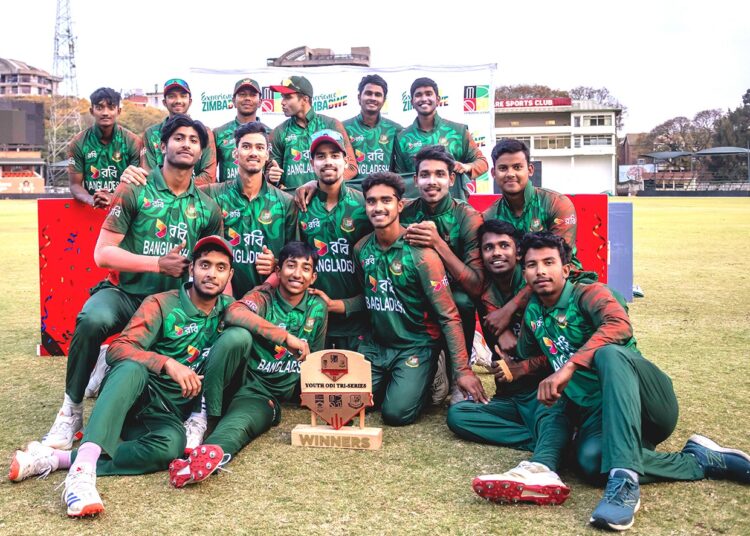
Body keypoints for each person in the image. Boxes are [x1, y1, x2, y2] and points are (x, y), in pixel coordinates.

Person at [473, 231, 750, 531]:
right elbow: (540, 356)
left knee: (608, 354)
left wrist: (568, 368)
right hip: (601, 415)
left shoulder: (590, 293)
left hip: (647, 404)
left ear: (565, 269)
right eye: (531, 265)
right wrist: (517, 366)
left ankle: (625, 480)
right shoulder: (534, 314)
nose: (540, 271)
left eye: (548, 262)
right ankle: (699, 461)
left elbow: (618, 325)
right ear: (524, 273)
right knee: (590, 463)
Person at [9, 236, 235, 517]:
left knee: (171, 446)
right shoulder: (161, 303)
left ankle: (57, 459)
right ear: (191, 269)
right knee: (131, 367)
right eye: (204, 265)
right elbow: (119, 349)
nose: (211, 273)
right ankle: (81, 476)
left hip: (165, 414)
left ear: (230, 275)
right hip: (135, 395)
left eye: (220, 267)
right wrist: (166, 363)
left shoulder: (230, 309)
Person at [40, 114, 223, 452]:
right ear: (162, 146)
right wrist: (158, 264)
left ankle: (181, 410)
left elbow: (215, 267)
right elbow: (103, 254)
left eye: (194, 140)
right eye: (179, 138)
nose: (186, 144)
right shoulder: (135, 188)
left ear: (201, 152)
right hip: (126, 293)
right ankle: (71, 411)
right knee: (92, 318)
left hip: (170, 306)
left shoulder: (207, 207)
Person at [169, 241, 327, 487]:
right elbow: (234, 312)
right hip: (235, 379)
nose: (297, 274)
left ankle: (197, 462)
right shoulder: (263, 297)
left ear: (313, 277)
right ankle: (206, 416)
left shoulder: (318, 307)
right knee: (236, 335)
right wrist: (284, 337)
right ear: (277, 271)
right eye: (290, 266)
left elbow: (313, 359)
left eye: (305, 268)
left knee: (239, 425)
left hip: (260, 394)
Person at [448, 220, 570, 504]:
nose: (496, 253)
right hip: (512, 396)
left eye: (504, 245)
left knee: (553, 409)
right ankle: (549, 440)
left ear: (518, 254)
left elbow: (563, 352)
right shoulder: (484, 289)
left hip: (543, 388)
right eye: (488, 247)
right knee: (459, 416)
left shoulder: (538, 286)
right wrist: (497, 365)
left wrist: (522, 366)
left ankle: (546, 455)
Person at [353, 172, 488, 426]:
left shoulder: (422, 254)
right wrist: (335, 305)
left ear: (400, 205)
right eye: (371, 201)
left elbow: (449, 316)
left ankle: (434, 373)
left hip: (415, 346)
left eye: (386, 200)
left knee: (395, 414)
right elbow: (367, 297)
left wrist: (462, 370)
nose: (378, 207)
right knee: (351, 404)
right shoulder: (361, 249)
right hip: (378, 347)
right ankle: (398, 380)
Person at [400, 145, 484, 404]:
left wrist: (438, 243)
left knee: (463, 301)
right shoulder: (405, 212)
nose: (431, 181)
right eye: (425, 175)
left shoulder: (467, 216)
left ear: (451, 178)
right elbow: (369, 197)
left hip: (451, 297)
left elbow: (476, 285)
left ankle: (459, 376)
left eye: (439, 174)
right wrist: (313, 183)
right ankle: (429, 367)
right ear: (416, 180)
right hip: (414, 296)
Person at [291, 129, 372, 350]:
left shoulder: (364, 205)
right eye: (321, 156)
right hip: (312, 319)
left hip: (358, 321)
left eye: (335, 156)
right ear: (311, 163)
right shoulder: (300, 205)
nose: (328, 162)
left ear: (346, 162)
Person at [202, 121, 297, 299]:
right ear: (235, 153)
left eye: (260, 147)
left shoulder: (286, 202)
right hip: (217, 301)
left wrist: (276, 263)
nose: (253, 153)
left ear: (267, 155)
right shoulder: (211, 194)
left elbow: (295, 257)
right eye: (246, 146)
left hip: (268, 301)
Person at [483, 138, 581, 268]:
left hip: (560, 276)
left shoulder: (556, 204)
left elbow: (561, 257)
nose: (510, 174)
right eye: (503, 168)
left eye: (517, 167)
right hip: (509, 278)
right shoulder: (489, 216)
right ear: (493, 173)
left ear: (530, 170)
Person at [393, 77, 488, 201]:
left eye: (428, 94)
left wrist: (466, 167)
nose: (424, 98)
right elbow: (401, 179)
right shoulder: (402, 138)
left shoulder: (458, 132)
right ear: (412, 102)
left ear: (438, 100)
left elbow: (482, 162)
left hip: (453, 206)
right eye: (418, 95)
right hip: (417, 209)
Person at [268, 76, 357, 190]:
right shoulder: (278, 132)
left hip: (327, 198)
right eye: (282, 97)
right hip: (292, 199)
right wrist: (273, 180)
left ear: (305, 99)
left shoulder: (332, 124)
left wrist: (323, 186)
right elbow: (270, 175)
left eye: (288, 97)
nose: (282, 102)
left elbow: (351, 167)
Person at [67, 87, 142, 208]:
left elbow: (138, 183)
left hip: (125, 209)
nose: (105, 113)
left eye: (111, 107)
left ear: (119, 111)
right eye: (99, 107)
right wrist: (92, 200)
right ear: (92, 111)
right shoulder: (78, 142)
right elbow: (75, 185)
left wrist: (114, 198)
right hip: (92, 210)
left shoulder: (133, 141)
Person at [140, 79, 217, 186]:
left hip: (197, 194)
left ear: (190, 101)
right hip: (159, 194)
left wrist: (181, 189)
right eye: (172, 96)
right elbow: (148, 175)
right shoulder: (151, 134)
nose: (178, 101)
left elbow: (209, 177)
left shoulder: (205, 132)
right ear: (164, 102)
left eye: (183, 96)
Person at [213, 77, 279, 183]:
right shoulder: (219, 133)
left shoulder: (271, 134)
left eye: (252, 95)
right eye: (242, 94)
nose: (247, 98)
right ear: (234, 101)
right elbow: (211, 172)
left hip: (259, 193)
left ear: (260, 102)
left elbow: (272, 170)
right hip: (226, 193)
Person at [342, 74, 403, 187]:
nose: (373, 98)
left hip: (384, 193)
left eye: (378, 95)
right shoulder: (343, 128)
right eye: (368, 93)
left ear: (384, 100)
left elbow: (401, 171)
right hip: (352, 193)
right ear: (359, 97)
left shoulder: (395, 129)